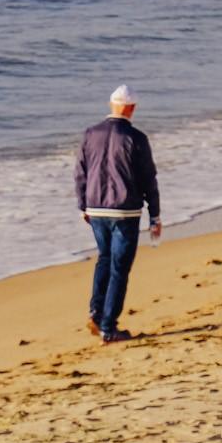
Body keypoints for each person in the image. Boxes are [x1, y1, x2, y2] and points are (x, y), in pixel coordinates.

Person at [74, 84, 161, 344]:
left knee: (105, 258)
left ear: (112, 105)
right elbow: (149, 179)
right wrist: (154, 216)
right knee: (119, 268)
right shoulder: (136, 138)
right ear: (131, 108)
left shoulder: (91, 134)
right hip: (125, 210)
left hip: (96, 208)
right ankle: (108, 326)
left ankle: (96, 311)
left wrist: (82, 205)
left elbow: (80, 171)